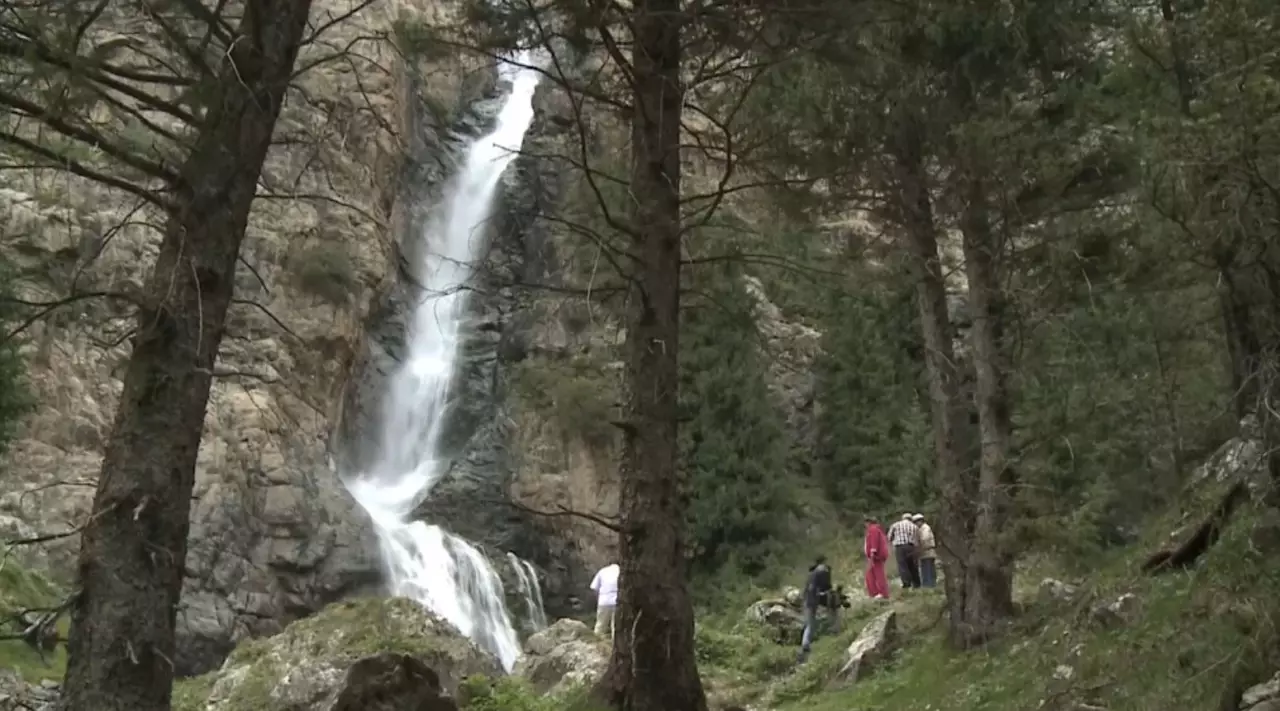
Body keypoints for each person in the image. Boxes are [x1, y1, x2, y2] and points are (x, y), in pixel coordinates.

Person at [798, 555, 838, 663]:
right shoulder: (823, 571)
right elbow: (826, 586)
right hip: (814, 600)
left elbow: (809, 589)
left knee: (809, 623)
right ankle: (805, 644)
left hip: (807, 600)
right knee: (812, 623)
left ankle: (805, 643)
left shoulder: (812, 573)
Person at [888, 513, 922, 589]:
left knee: (902, 565)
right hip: (911, 547)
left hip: (900, 547)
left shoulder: (895, 525)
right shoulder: (915, 527)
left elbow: (889, 537)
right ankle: (916, 584)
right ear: (911, 519)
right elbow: (917, 539)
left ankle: (906, 583)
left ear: (902, 518)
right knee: (912, 566)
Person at [589, 562, 620, 640]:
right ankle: (615, 646)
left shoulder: (602, 571)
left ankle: (595, 643)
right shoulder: (621, 571)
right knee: (616, 627)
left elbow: (594, 588)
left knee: (600, 625)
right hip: (618, 601)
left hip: (604, 601)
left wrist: (599, 599)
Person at [863, 515, 890, 599]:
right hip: (875, 556)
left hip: (876, 556)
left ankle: (882, 593)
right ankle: (874, 593)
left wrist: (873, 551)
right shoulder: (874, 529)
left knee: (878, 574)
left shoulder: (873, 529)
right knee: (870, 575)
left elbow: (874, 541)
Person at [913, 513, 937, 588]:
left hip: (927, 551)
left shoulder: (925, 528)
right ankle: (930, 584)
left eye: (916, 522)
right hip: (925, 552)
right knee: (927, 569)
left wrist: (918, 546)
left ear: (920, 521)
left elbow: (925, 539)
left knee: (927, 569)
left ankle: (929, 585)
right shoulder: (922, 529)